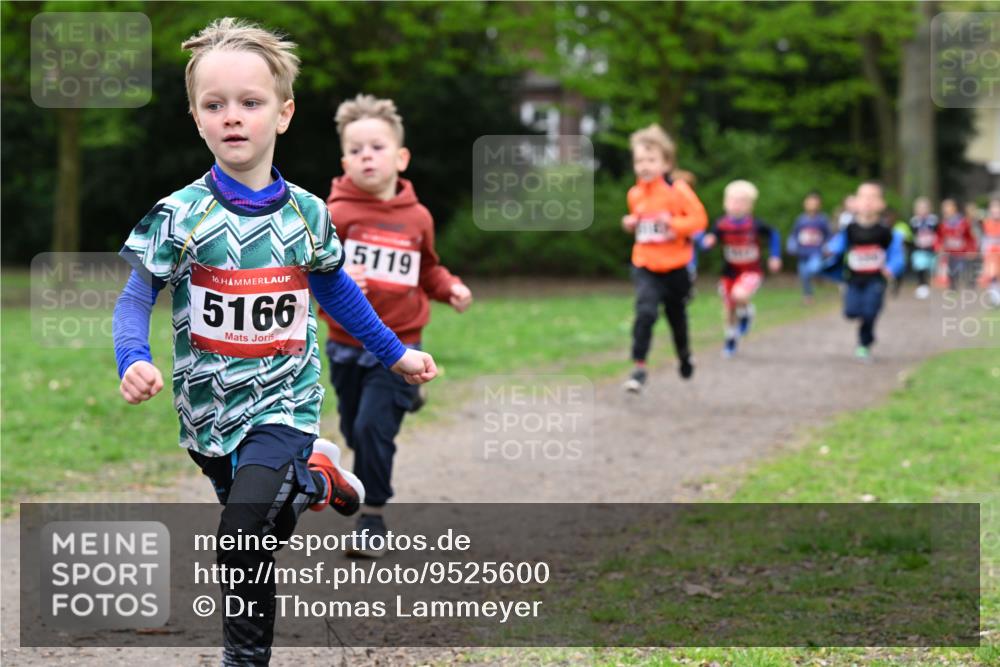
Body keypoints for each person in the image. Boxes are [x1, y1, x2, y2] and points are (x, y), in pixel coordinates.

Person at [111, 19, 436, 666]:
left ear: (283, 114)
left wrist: (394, 353)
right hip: (209, 411)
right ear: (196, 118)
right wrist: (134, 357)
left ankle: (245, 657)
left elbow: (340, 294)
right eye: (215, 104)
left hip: (284, 399)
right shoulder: (180, 215)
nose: (233, 117)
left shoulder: (308, 215)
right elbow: (135, 297)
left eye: (250, 103)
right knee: (253, 531)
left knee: (239, 533)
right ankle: (316, 478)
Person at [317, 94, 472, 556]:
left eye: (377, 147)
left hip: (401, 343)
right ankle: (410, 394)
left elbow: (428, 270)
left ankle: (373, 517)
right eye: (357, 149)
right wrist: (343, 277)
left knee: (369, 429)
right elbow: (313, 275)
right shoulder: (333, 215)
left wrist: (450, 288)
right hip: (345, 343)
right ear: (345, 161)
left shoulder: (417, 217)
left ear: (401, 157)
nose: (367, 155)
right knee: (351, 424)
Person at [620, 124, 708, 392]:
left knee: (676, 317)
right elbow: (643, 226)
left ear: (666, 163)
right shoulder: (634, 194)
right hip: (645, 264)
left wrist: (673, 224)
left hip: (675, 267)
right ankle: (639, 368)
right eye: (639, 161)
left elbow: (699, 220)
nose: (644, 166)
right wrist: (631, 223)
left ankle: (684, 355)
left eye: (651, 160)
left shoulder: (677, 190)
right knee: (645, 312)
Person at [822, 181, 905, 362]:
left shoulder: (887, 232)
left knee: (870, 312)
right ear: (855, 202)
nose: (867, 201)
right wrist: (828, 251)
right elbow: (837, 246)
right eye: (863, 197)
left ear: (881, 204)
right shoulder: (849, 230)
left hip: (876, 279)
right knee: (850, 312)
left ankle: (864, 344)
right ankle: (864, 330)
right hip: (853, 278)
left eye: (872, 197)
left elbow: (897, 256)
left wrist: (890, 268)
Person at [701, 180, 782, 357]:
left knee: (740, 295)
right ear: (725, 203)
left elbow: (774, 234)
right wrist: (706, 242)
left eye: (741, 201)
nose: (736, 205)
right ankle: (731, 338)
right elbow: (710, 240)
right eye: (732, 200)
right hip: (730, 271)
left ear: (750, 205)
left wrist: (775, 256)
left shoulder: (755, 224)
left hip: (751, 270)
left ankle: (747, 312)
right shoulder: (721, 224)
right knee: (729, 307)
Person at [786, 190, 831, 304]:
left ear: (819, 204)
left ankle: (821, 276)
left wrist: (828, 246)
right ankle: (808, 295)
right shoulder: (800, 220)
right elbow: (794, 235)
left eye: (814, 202)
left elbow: (829, 235)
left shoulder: (822, 219)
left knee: (812, 270)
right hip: (802, 253)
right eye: (809, 202)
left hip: (816, 252)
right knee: (803, 275)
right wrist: (791, 245)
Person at [935, 198, 978, 290]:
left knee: (963, 269)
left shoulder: (963, 223)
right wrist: (939, 247)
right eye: (944, 207)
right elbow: (939, 237)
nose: (945, 209)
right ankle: (953, 288)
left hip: (962, 253)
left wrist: (972, 250)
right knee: (951, 272)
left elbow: (970, 237)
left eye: (947, 207)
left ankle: (970, 285)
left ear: (954, 208)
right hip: (950, 253)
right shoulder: (943, 224)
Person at [908, 196, 939, 299]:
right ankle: (922, 286)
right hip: (919, 249)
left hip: (932, 249)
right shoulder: (914, 221)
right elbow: (912, 235)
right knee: (920, 266)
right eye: (920, 208)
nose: (922, 210)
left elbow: (938, 233)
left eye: (924, 207)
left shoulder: (933, 220)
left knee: (931, 268)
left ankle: (931, 285)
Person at [977, 198, 1000, 292]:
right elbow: (984, 239)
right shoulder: (985, 223)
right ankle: (995, 295)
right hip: (991, 254)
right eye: (993, 207)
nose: (996, 210)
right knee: (992, 274)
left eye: (998, 207)